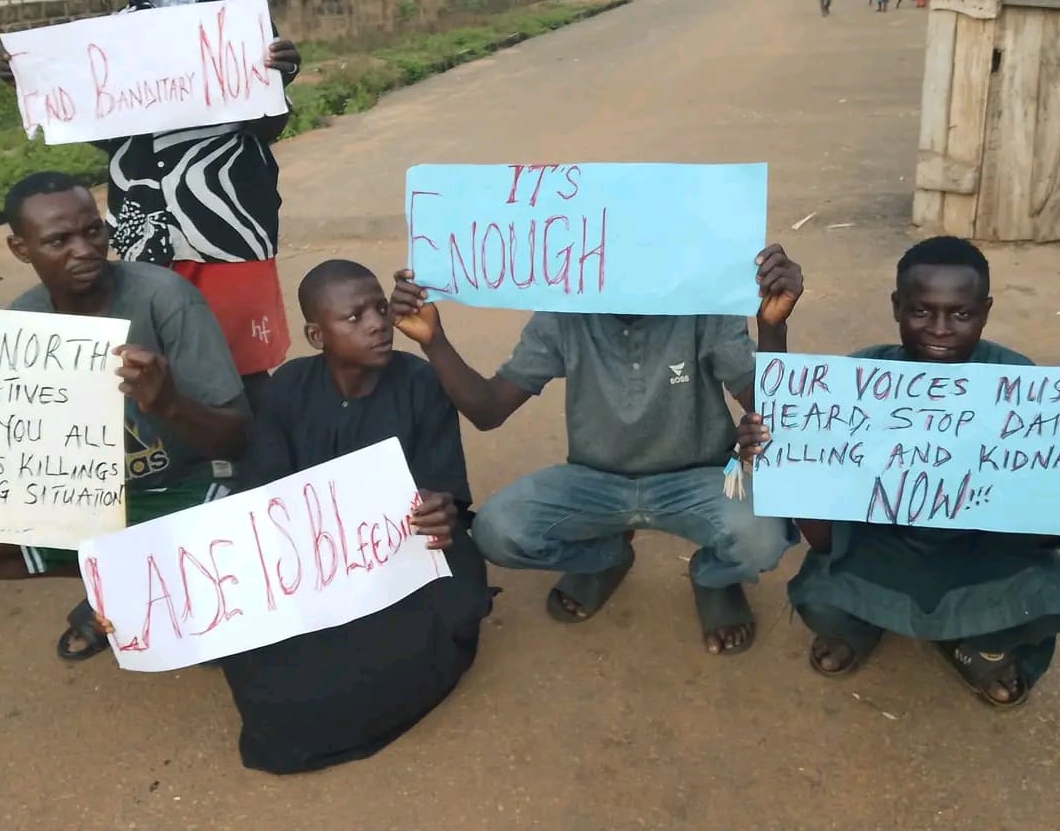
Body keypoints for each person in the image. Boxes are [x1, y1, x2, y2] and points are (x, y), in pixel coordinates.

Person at [390, 244, 804, 656]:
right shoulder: (565, 313)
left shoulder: (704, 306)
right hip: (595, 479)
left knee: (762, 536)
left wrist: (772, 327)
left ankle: (714, 577)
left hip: (699, 477)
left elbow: (769, 411)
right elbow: (488, 409)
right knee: (498, 531)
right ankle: (606, 557)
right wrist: (434, 340)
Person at [0, 0, 302, 410]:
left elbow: (267, 131)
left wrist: (277, 82)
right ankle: (176, 481)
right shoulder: (113, 35)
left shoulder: (238, 19)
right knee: (149, 374)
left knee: (245, 373)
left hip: (229, 226)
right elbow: (113, 137)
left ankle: (256, 484)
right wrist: (37, 84)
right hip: (146, 234)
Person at [737, 236, 1060, 708]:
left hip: (980, 555)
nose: (942, 328)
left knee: (1040, 600)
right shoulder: (865, 374)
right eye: (922, 311)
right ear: (896, 307)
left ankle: (968, 641)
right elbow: (812, 499)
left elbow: (1039, 529)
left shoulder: (1019, 385)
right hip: (883, 546)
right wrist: (772, 333)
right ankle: (936, 634)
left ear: (985, 310)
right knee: (823, 603)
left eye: (962, 313)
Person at [220, 260, 492, 774]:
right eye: (353, 317)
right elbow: (263, 492)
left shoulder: (420, 383)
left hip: (409, 561)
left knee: (431, 624)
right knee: (263, 668)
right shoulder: (288, 386)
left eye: (379, 308)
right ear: (316, 334)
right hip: (315, 565)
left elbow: (447, 497)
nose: (377, 323)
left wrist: (439, 509)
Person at [0, 172, 249, 659]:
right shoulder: (23, 322)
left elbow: (237, 439)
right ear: (21, 249)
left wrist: (169, 403)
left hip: (190, 484)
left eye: (93, 230)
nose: (84, 249)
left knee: (227, 586)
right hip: (97, 496)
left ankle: (146, 585)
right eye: (58, 240)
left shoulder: (166, 299)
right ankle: (123, 577)